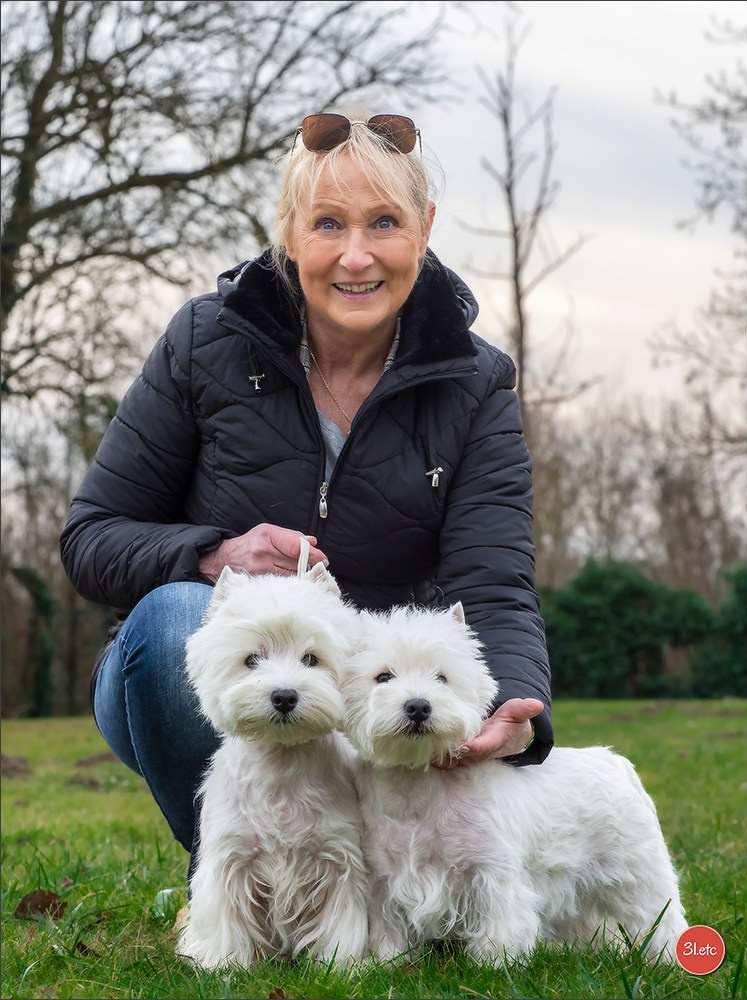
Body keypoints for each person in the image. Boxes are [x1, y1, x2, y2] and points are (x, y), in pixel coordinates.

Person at [60, 109, 553, 874]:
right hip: (182, 688)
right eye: (328, 224)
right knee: (171, 623)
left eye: (383, 222)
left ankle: (358, 872)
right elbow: (90, 538)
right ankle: (224, 871)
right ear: (290, 232)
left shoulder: (476, 381)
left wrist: (518, 699)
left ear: (423, 228)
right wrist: (213, 554)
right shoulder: (204, 340)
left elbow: (492, 582)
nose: (356, 257)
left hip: (369, 702)